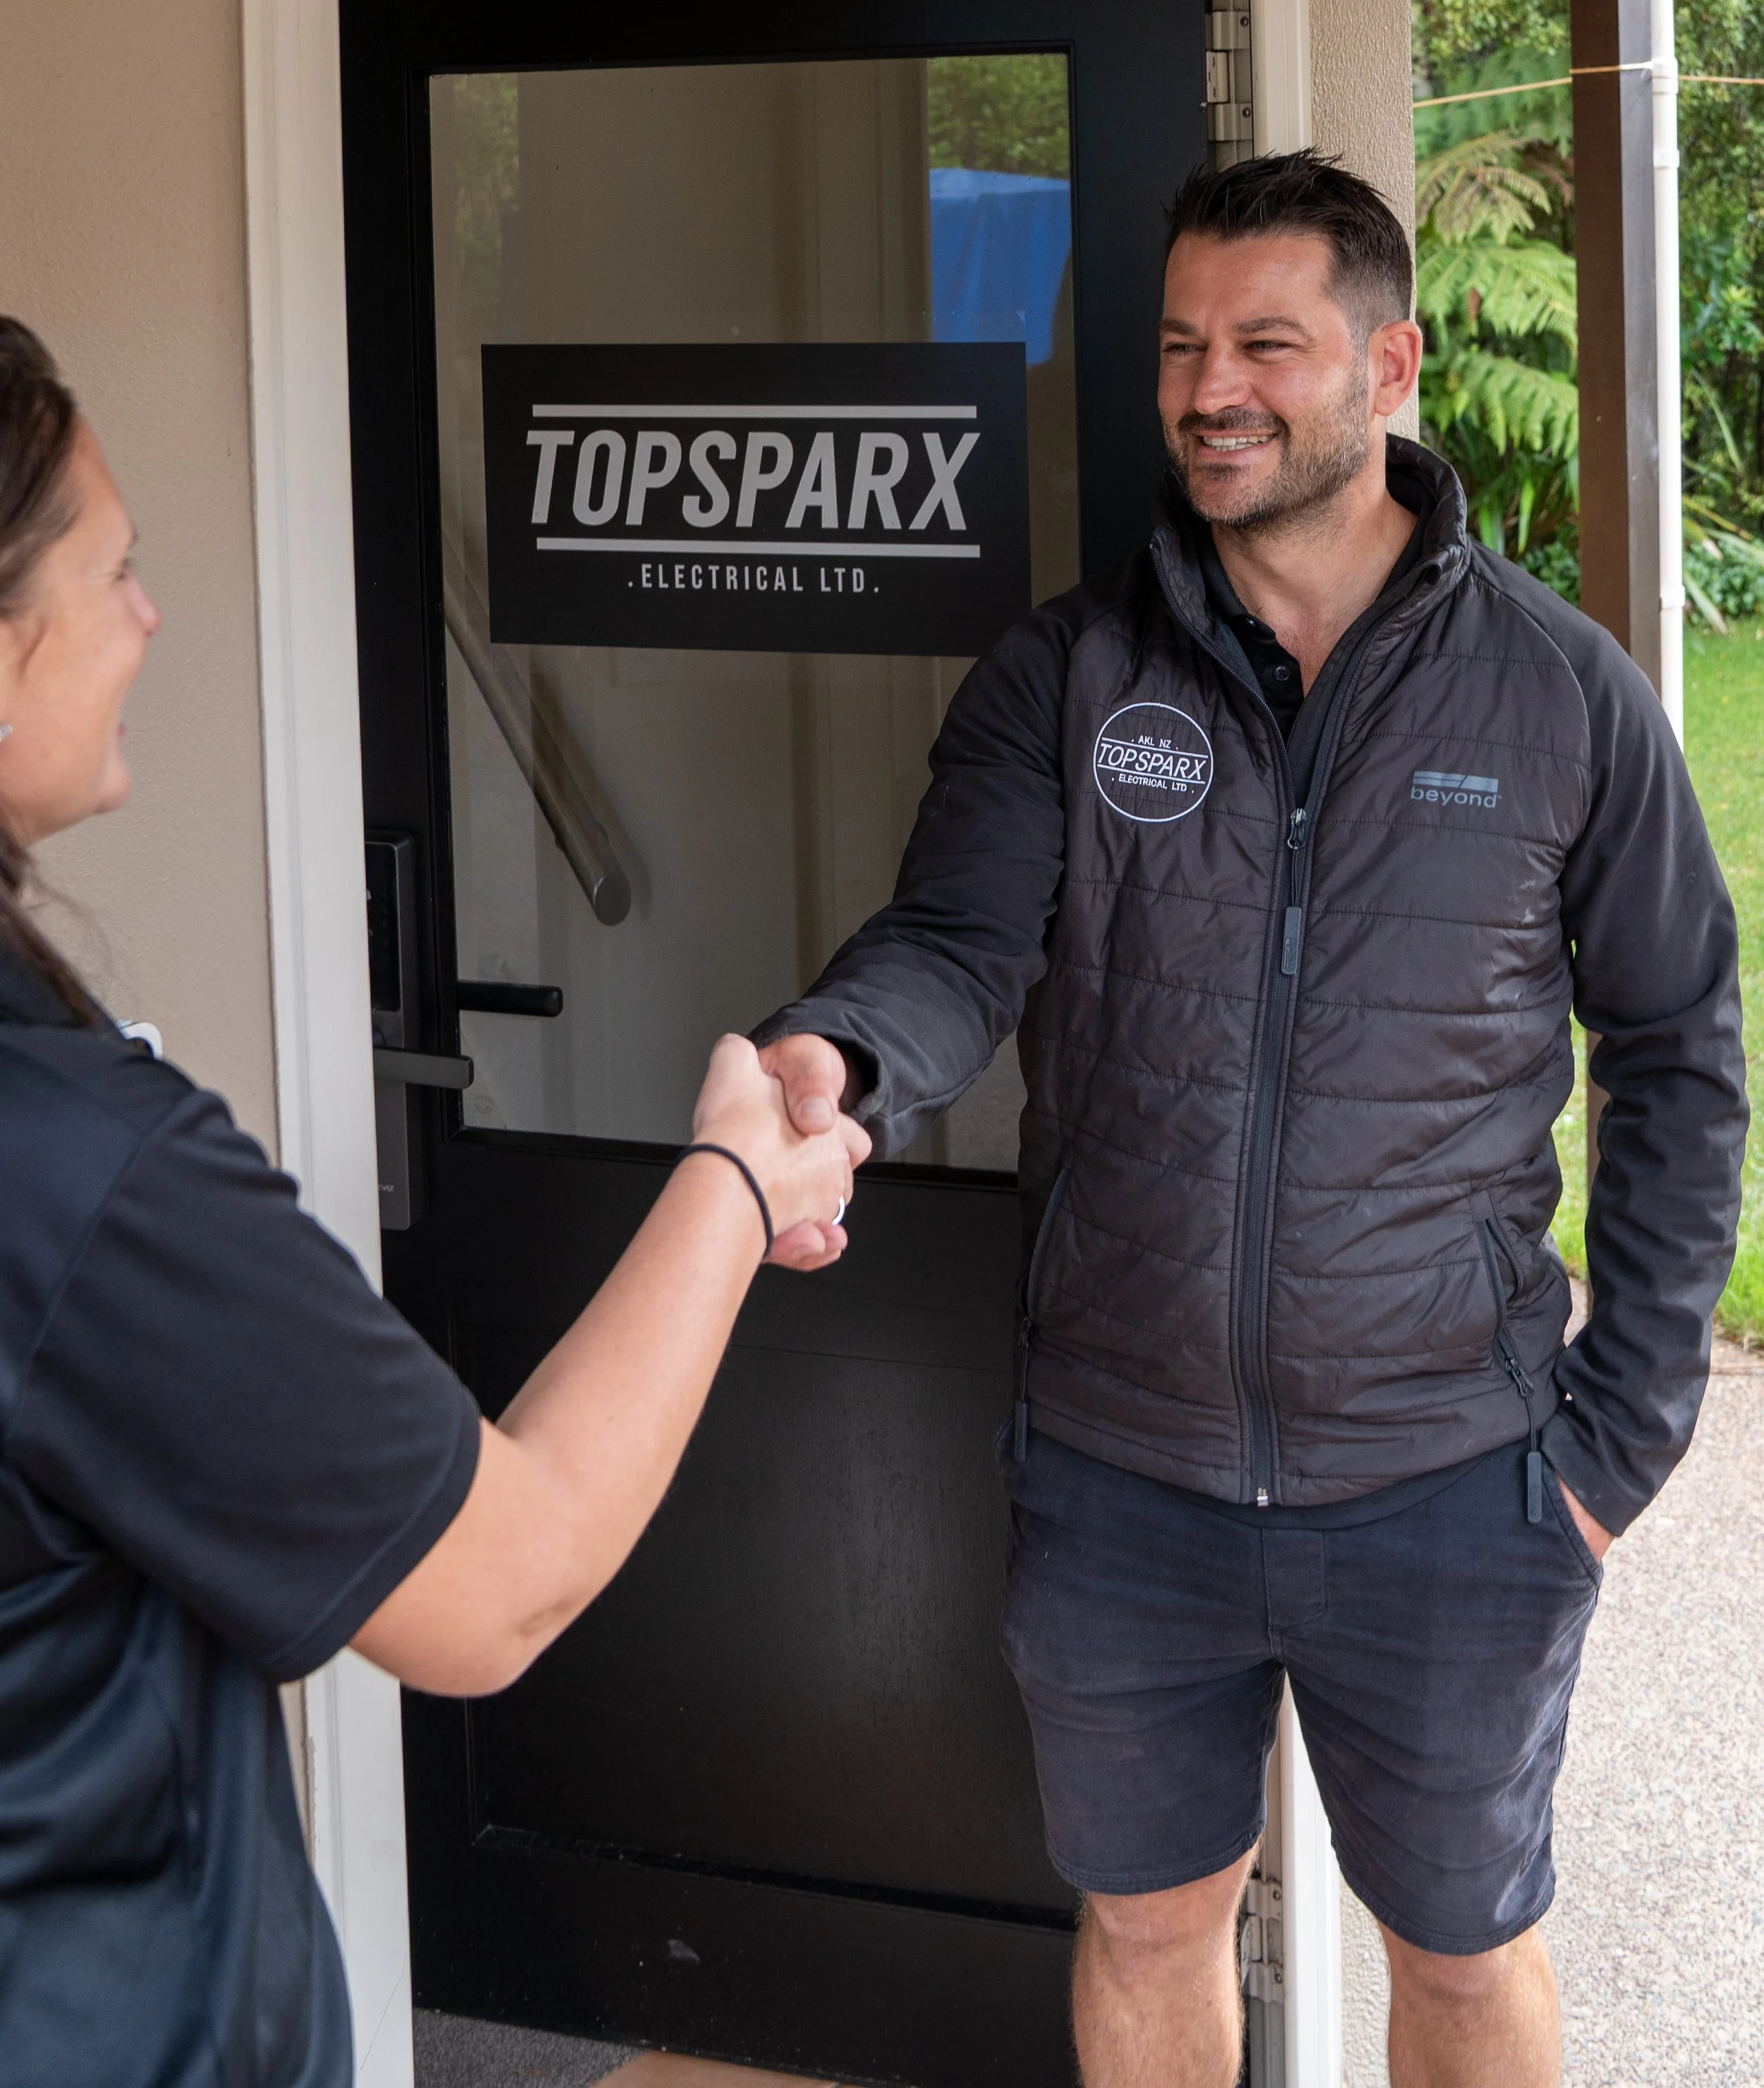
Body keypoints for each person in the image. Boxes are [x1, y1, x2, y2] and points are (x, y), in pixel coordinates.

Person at [754, 152, 1748, 2088]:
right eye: (1180, 344)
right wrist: (840, 1061)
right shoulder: (1069, 673)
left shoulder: (1559, 694)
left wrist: (1616, 1431)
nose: (1211, 385)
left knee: (1460, 1953)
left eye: (1266, 343)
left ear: (1383, 366)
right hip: (1123, 1464)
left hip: (1452, 1470)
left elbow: (1678, 1043)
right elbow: (956, 939)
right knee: (1145, 1919)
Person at [0, 314, 866, 2087]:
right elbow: (504, 1582)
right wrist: (730, 1173)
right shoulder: (76, 1174)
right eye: (117, 567)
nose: (152, 617)